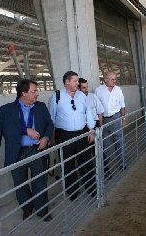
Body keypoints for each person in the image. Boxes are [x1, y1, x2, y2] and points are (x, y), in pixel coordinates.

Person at [0, 79, 53, 221]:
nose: (37, 94)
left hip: (36, 149)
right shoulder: (7, 110)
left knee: (39, 180)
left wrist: (46, 138)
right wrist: (26, 130)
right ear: (23, 93)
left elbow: (49, 125)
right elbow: (3, 129)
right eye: (34, 91)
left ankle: (42, 209)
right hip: (17, 152)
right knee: (20, 183)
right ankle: (27, 207)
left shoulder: (40, 107)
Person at [48, 71, 96, 201]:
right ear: (67, 82)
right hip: (63, 135)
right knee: (68, 165)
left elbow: (88, 114)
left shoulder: (82, 96)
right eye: (75, 81)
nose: (77, 83)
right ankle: (73, 192)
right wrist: (52, 137)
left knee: (86, 162)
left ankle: (92, 188)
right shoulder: (56, 96)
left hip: (82, 133)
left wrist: (91, 130)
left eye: (77, 81)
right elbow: (51, 118)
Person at [95, 71, 126, 176]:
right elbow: (96, 107)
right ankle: (106, 168)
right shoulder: (98, 90)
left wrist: (123, 118)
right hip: (103, 119)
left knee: (119, 141)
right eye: (112, 79)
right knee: (105, 145)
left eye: (115, 79)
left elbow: (122, 105)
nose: (114, 81)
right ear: (105, 80)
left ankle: (122, 164)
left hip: (116, 117)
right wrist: (99, 122)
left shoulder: (118, 90)